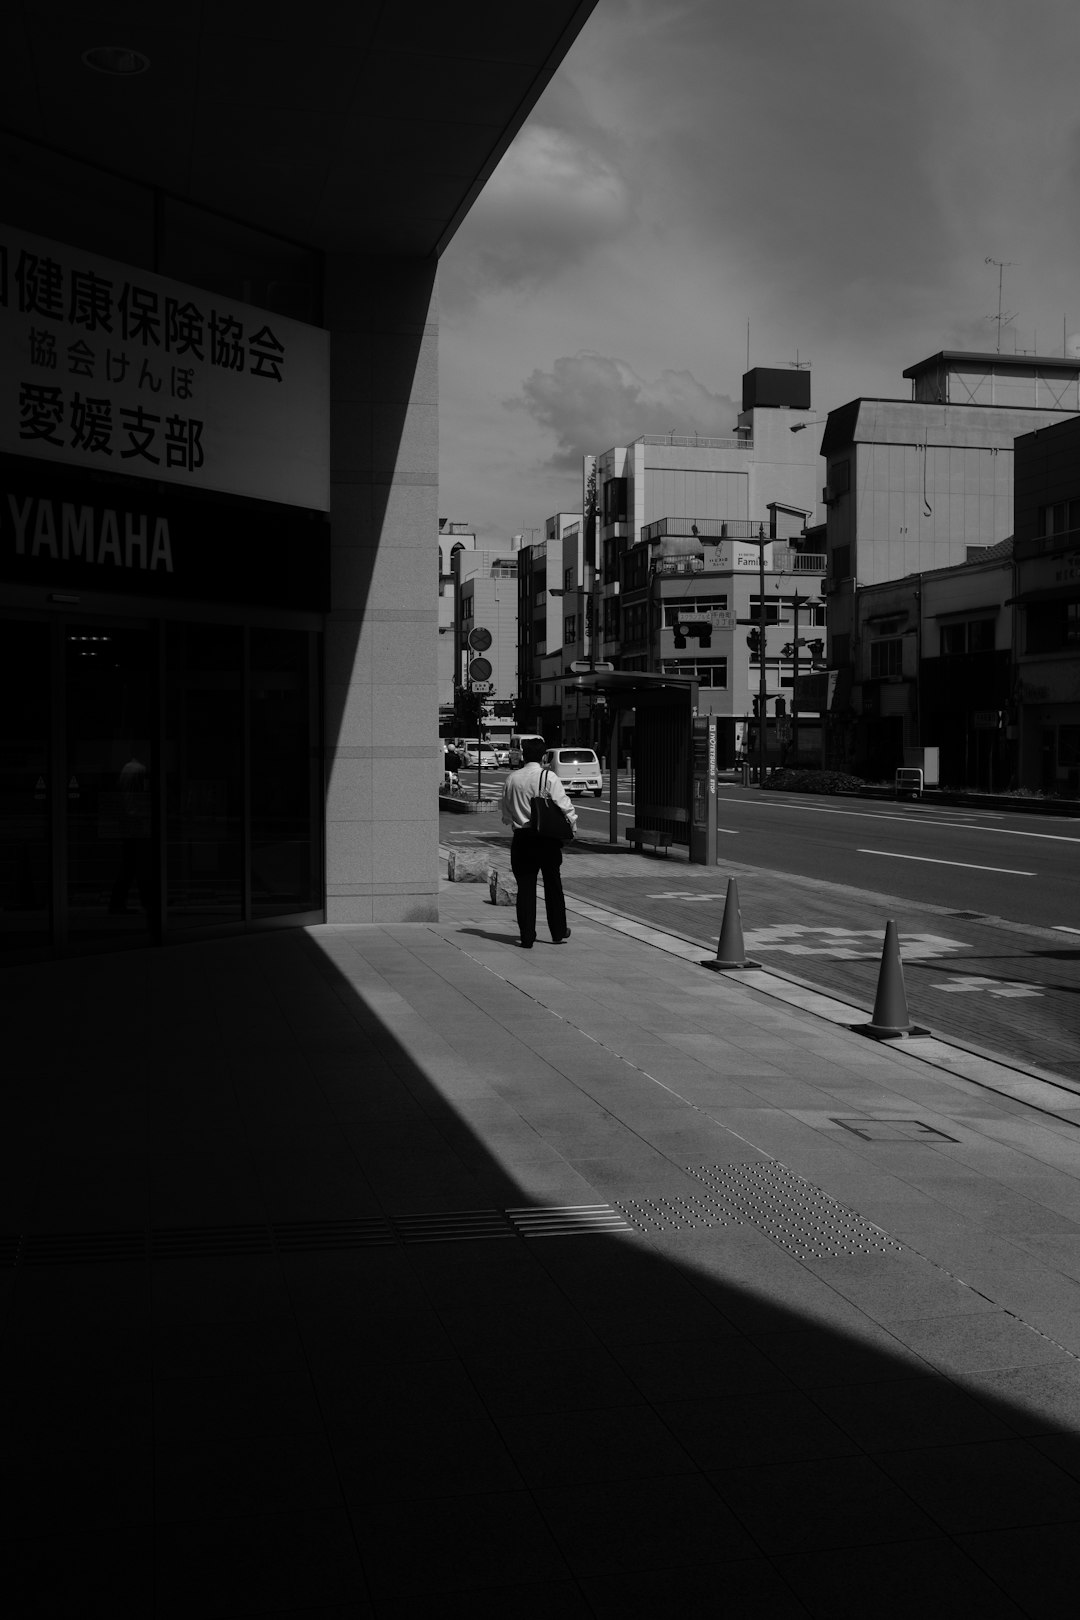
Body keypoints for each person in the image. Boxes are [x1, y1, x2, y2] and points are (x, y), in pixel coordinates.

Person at [500, 737, 576, 947]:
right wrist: (572, 830)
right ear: (544, 757)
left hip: (522, 839)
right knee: (553, 884)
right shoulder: (548, 777)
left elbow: (506, 815)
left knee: (525, 887)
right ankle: (558, 931)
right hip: (547, 840)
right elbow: (565, 807)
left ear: (523, 755)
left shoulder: (512, 779)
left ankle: (527, 936)